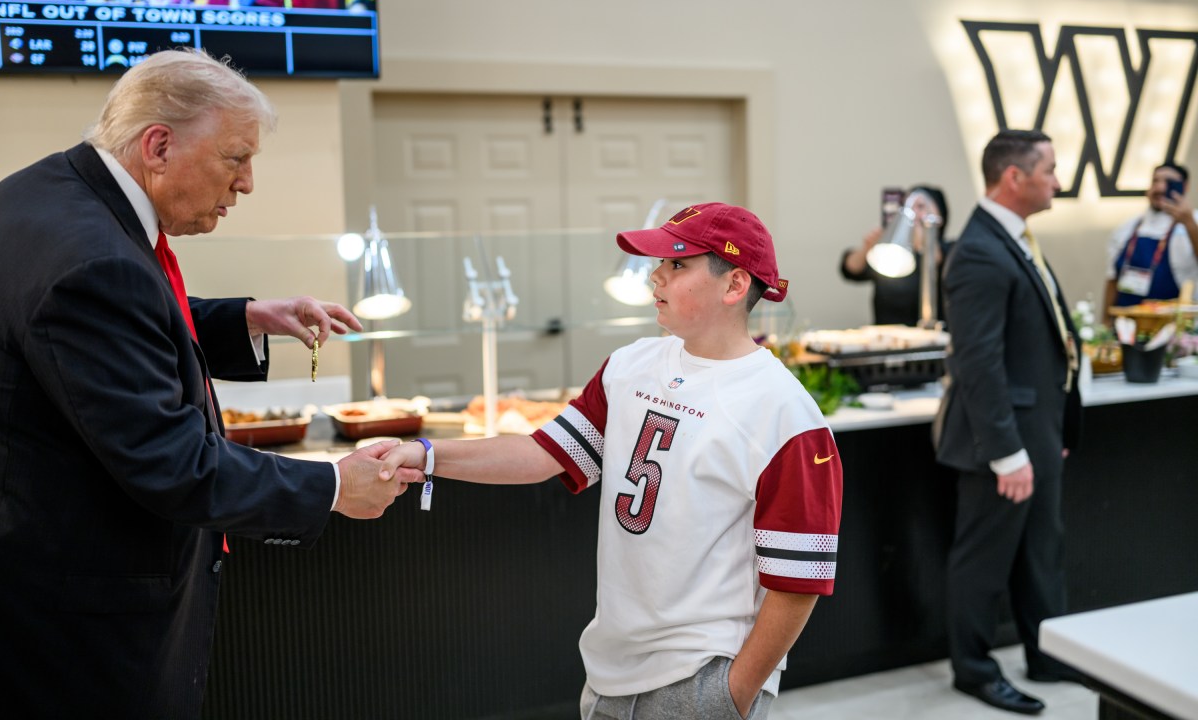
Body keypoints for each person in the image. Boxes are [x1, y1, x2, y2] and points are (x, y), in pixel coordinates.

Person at [0, 48, 414, 718]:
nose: (246, 183)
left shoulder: (47, 196)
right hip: (81, 619)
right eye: (236, 158)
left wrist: (246, 319)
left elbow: (102, 336)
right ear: (158, 145)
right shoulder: (94, 262)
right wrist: (333, 485)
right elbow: (174, 465)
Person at [384, 203, 843, 719]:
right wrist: (427, 455)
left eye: (677, 264)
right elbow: (544, 453)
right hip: (608, 668)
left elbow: (798, 582)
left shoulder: (785, 412)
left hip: (701, 675)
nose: (656, 276)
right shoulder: (631, 365)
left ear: (735, 285)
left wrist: (731, 694)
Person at [932, 130, 1085, 715]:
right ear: (1014, 177)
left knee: (1042, 549)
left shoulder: (1013, 239)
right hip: (1000, 440)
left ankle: (1047, 652)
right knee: (985, 558)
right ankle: (972, 669)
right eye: (1049, 169)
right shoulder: (977, 250)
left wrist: (1053, 433)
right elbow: (978, 362)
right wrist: (1008, 451)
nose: (1058, 180)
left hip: (1037, 430)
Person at [839, 185, 951, 325]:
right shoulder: (890, 251)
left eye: (921, 206)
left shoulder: (952, 252)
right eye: (907, 207)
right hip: (887, 338)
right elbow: (850, 270)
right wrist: (867, 248)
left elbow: (945, 264)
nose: (913, 213)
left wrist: (924, 241)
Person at [1103, 162, 1198, 318]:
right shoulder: (1127, 228)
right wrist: (1105, 322)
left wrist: (1189, 224)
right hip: (1125, 327)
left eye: (1168, 182)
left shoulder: (1193, 222)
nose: (1160, 188)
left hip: (1173, 330)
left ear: (1184, 187)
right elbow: (1112, 279)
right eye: (1155, 181)